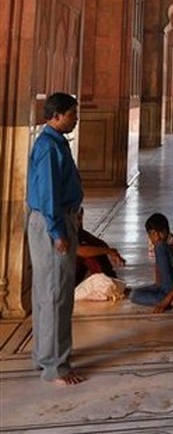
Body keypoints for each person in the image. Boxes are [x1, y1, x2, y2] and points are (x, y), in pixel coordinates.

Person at [26, 91, 85, 385]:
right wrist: (58, 232)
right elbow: (48, 193)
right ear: (57, 115)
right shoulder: (50, 147)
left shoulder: (55, 142)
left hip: (55, 219)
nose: (76, 120)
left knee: (46, 293)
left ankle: (44, 355)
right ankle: (55, 367)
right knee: (56, 296)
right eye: (73, 115)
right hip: (52, 223)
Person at [130, 212, 173, 313]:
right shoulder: (152, 243)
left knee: (160, 247)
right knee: (135, 294)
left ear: (167, 231)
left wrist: (167, 298)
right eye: (153, 233)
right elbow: (158, 266)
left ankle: (171, 298)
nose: (157, 237)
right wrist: (158, 286)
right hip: (170, 284)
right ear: (149, 235)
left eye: (160, 232)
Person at [75, 208, 126, 286]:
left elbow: (99, 244)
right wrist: (109, 251)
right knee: (89, 254)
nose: (79, 223)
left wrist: (112, 252)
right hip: (57, 279)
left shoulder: (79, 232)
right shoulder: (63, 233)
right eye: (77, 219)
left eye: (80, 218)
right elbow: (81, 251)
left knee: (97, 250)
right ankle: (108, 284)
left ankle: (110, 281)